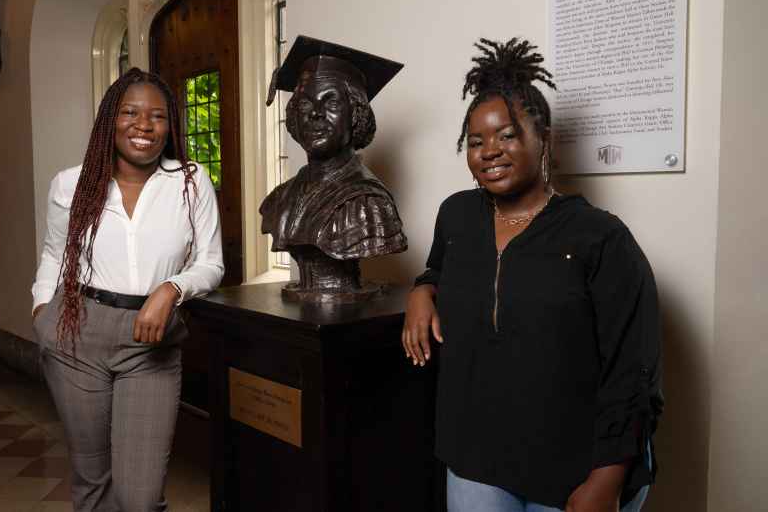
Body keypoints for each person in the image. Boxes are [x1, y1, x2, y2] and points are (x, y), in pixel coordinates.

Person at [402, 38, 662, 512]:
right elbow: (443, 267)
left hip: (573, 465)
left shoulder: (599, 237)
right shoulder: (457, 217)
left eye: (507, 135)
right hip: (475, 455)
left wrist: (607, 479)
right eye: (476, 141)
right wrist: (422, 289)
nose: (489, 151)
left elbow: (633, 368)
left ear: (544, 137)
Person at [31, 67, 224, 511]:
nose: (144, 125)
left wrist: (171, 289)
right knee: (92, 481)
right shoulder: (71, 183)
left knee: (140, 497)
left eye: (157, 116)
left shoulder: (191, 182)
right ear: (109, 121)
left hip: (151, 342)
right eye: (130, 113)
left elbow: (211, 262)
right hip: (77, 332)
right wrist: (43, 310)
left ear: (169, 125)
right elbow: (54, 253)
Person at [261, 36, 407, 299]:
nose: (315, 113)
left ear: (355, 115)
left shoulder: (369, 202)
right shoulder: (279, 198)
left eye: (331, 102)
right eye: (305, 103)